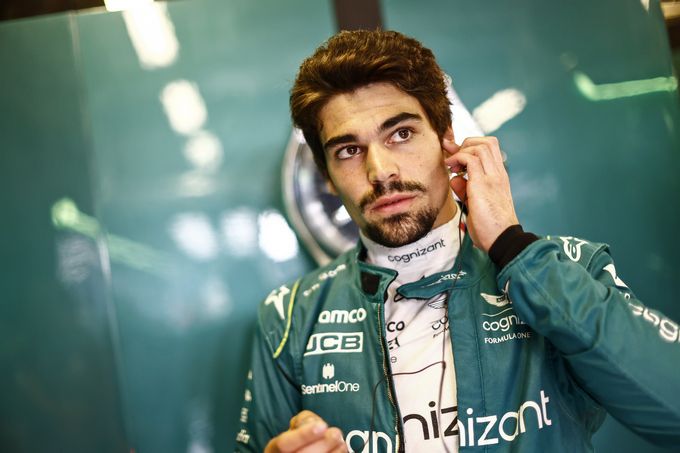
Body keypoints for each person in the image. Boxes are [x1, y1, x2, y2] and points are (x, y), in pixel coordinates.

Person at [234, 30, 680, 453]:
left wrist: (511, 246)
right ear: (327, 176)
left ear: (447, 138)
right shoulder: (289, 317)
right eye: (348, 150)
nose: (380, 171)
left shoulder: (570, 267)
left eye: (401, 134)